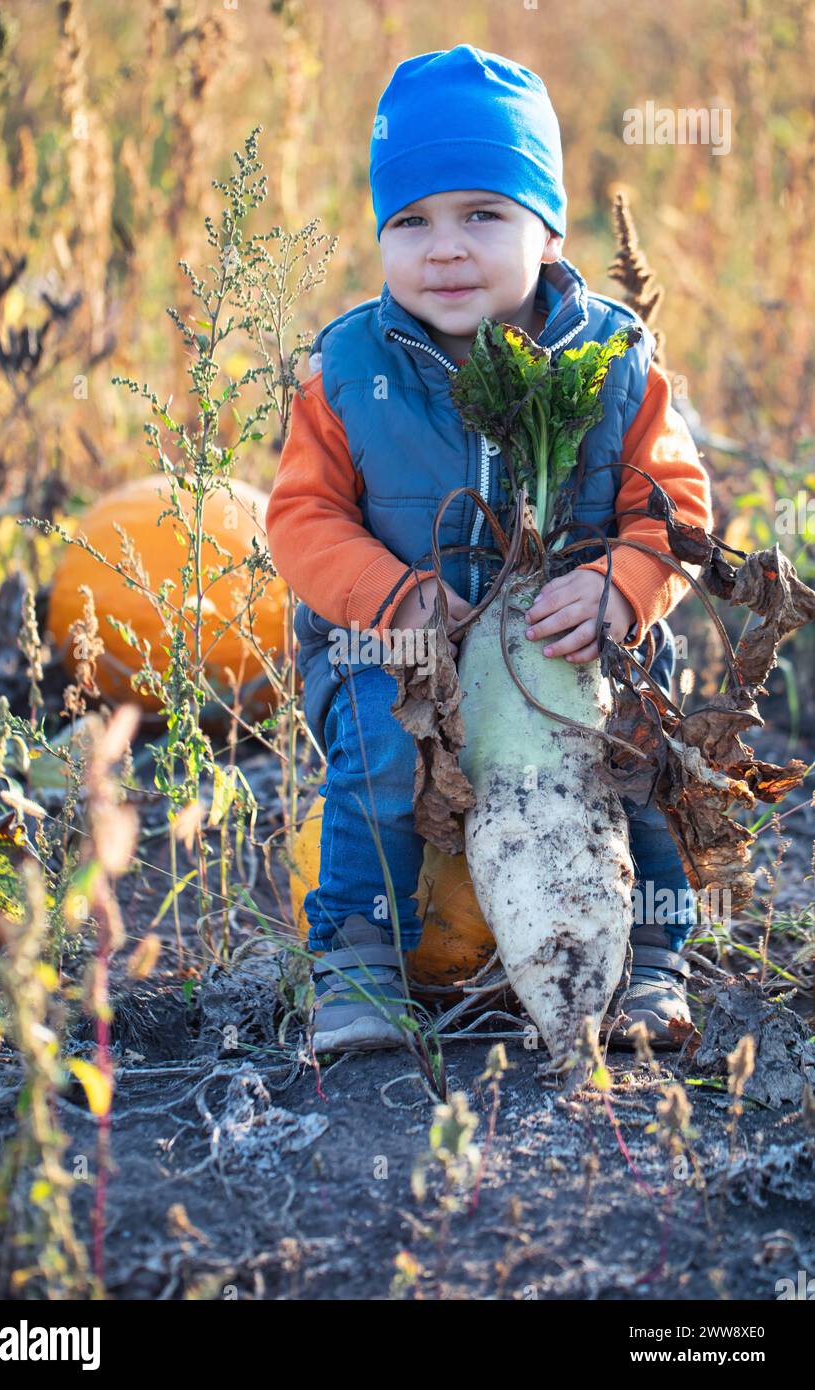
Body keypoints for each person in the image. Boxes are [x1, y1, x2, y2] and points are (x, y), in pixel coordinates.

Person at [266, 44, 712, 1054]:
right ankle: (356, 961)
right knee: (381, 742)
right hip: (400, 645)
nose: (444, 249)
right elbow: (299, 519)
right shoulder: (349, 369)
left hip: (562, 647)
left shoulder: (610, 361)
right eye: (410, 221)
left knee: (638, 742)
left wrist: (621, 585)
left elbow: (675, 509)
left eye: (482, 214)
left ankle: (649, 958)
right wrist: (390, 598)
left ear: (547, 229)